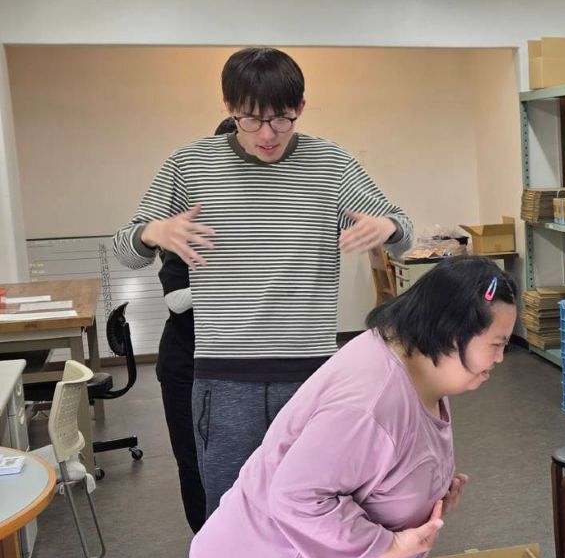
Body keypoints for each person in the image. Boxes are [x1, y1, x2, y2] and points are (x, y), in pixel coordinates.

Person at [189, 256, 511, 558]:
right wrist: (389, 545)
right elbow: (298, 497)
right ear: (451, 331)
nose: (501, 357)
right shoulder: (372, 400)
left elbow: (378, 464)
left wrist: (428, 494)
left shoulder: (423, 366)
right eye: (497, 343)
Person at [112, 47, 413, 521]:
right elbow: (123, 251)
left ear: (301, 107)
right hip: (224, 376)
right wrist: (151, 233)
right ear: (230, 108)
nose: (268, 134)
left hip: (310, 373)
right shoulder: (189, 165)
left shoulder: (331, 163)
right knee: (231, 508)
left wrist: (389, 228)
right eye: (251, 120)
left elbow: (403, 230)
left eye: (282, 119)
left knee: (315, 502)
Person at [156, 117, 239, 534]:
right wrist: (235, 279)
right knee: (195, 461)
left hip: (240, 365)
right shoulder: (190, 227)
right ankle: (208, 544)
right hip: (187, 364)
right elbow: (175, 300)